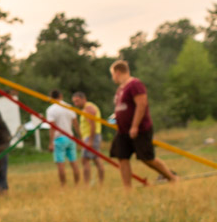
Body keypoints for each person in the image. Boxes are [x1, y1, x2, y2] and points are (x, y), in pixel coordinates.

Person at [109, 60, 179, 189]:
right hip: (123, 130)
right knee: (122, 157)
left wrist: (135, 126)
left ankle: (172, 178)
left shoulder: (135, 84)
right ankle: (127, 189)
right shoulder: (120, 89)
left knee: (147, 158)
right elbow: (122, 107)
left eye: (112, 74)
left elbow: (141, 105)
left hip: (140, 129)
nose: (113, 77)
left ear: (117, 72)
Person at [45, 90, 80, 186]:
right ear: (61, 95)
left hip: (59, 138)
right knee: (74, 162)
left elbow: (52, 127)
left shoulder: (51, 110)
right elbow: (75, 123)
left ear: (51, 97)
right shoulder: (69, 107)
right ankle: (77, 185)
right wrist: (79, 136)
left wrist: (51, 142)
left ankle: (63, 185)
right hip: (70, 137)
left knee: (61, 164)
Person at [72, 91, 105, 185]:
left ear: (84, 99)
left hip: (92, 137)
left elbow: (92, 125)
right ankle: (100, 183)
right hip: (91, 136)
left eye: (77, 101)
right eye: (74, 102)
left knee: (85, 159)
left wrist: (90, 140)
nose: (76, 104)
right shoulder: (86, 108)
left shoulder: (88, 108)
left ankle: (87, 184)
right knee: (96, 159)